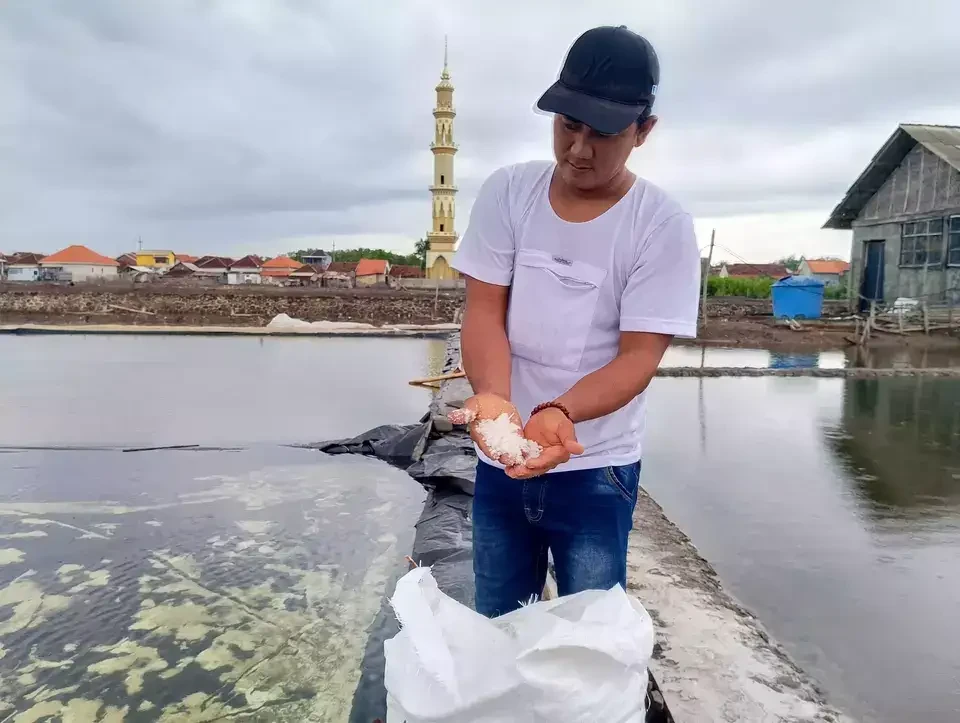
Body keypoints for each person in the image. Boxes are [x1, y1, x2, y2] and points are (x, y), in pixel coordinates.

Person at [451, 25, 701, 617]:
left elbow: (640, 356)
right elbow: (485, 310)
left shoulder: (660, 224)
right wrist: (492, 398)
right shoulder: (510, 192)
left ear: (644, 131)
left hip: (596, 465)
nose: (579, 150)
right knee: (497, 621)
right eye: (569, 125)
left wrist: (560, 412)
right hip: (501, 458)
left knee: (588, 636)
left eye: (605, 132)